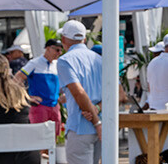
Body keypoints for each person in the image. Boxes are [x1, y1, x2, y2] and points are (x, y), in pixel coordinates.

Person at [55, 20, 103, 164]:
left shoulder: (65, 60)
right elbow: (118, 93)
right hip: (103, 125)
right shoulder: (100, 59)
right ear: (85, 38)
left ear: (63, 39)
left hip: (80, 125)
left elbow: (79, 93)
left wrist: (96, 121)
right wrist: (97, 109)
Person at [16, 39, 64, 138]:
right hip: (39, 107)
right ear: (47, 48)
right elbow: (17, 79)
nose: (59, 53)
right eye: (57, 50)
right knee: (39, 138)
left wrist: (64, 94)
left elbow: (61, 85)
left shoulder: (57, 64)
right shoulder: (34, 63)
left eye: (60, 50)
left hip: (54, 106)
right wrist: (27, 97)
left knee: (53, 138)